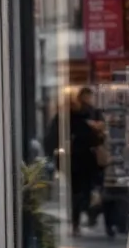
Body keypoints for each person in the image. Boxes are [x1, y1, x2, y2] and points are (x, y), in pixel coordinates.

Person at [44, 87, 109, 237]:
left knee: (83, 191)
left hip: (84, 158)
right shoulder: (73, 115)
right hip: (79, 158)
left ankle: (82, 217)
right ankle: (79, 220)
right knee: (80, 192)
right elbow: (55, 135)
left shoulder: (90, 113)